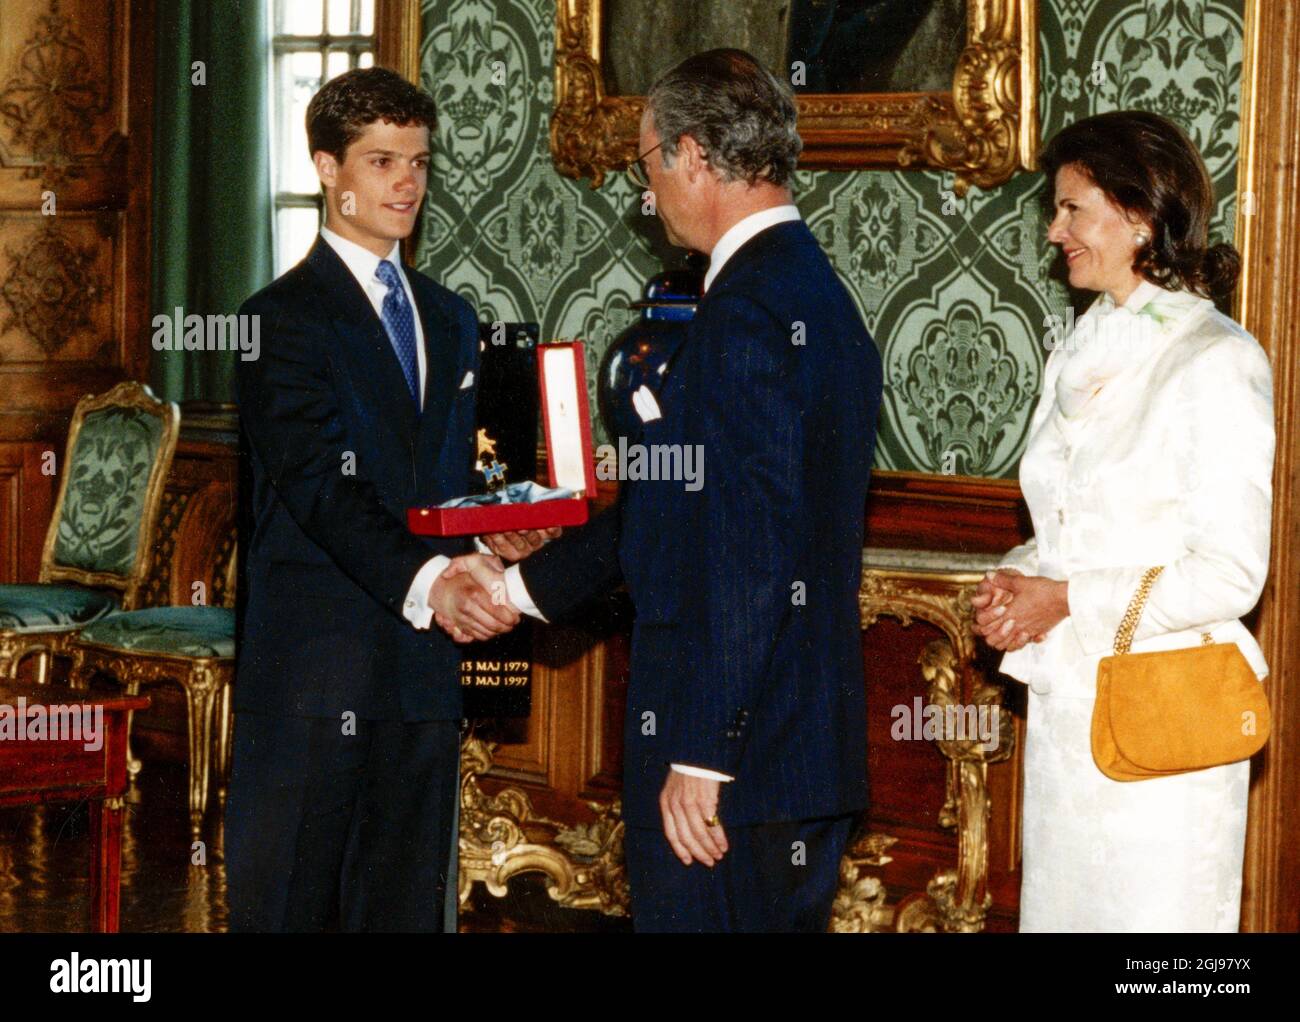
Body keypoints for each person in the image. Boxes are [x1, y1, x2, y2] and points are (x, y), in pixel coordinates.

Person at [443, 49, 884, 932]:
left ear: (689, 154)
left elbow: (753, 554)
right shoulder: (814, 295)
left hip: (733, 763)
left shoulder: (747, 316)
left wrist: (705, 753)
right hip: (791, 751)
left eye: (646, 164)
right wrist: (521, 588)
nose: (647, 193)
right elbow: (683, 514)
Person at [226, 67, 522, 932]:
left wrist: (507, 534)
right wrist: (438, 582)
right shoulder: (275, 321)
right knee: (293, 911)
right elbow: (321, 488)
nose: (406, 183)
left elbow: (453, 487)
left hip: (423, 675)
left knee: (401, 914)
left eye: (420, 162)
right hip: (317, 676)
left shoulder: (453, 316)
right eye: (382, 160)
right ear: (327, 168)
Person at [970, 110, 1275, 932]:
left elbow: (1231, 572)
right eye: (1055, 208)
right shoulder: (1080, 346)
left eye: (1073, 209)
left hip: (1166, 728)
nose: (1053, 228)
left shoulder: (1217, 360)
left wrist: (1066, 598)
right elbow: (1076, 517)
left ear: (1141, 216)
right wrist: (1022, 577)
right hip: (1070, 712)